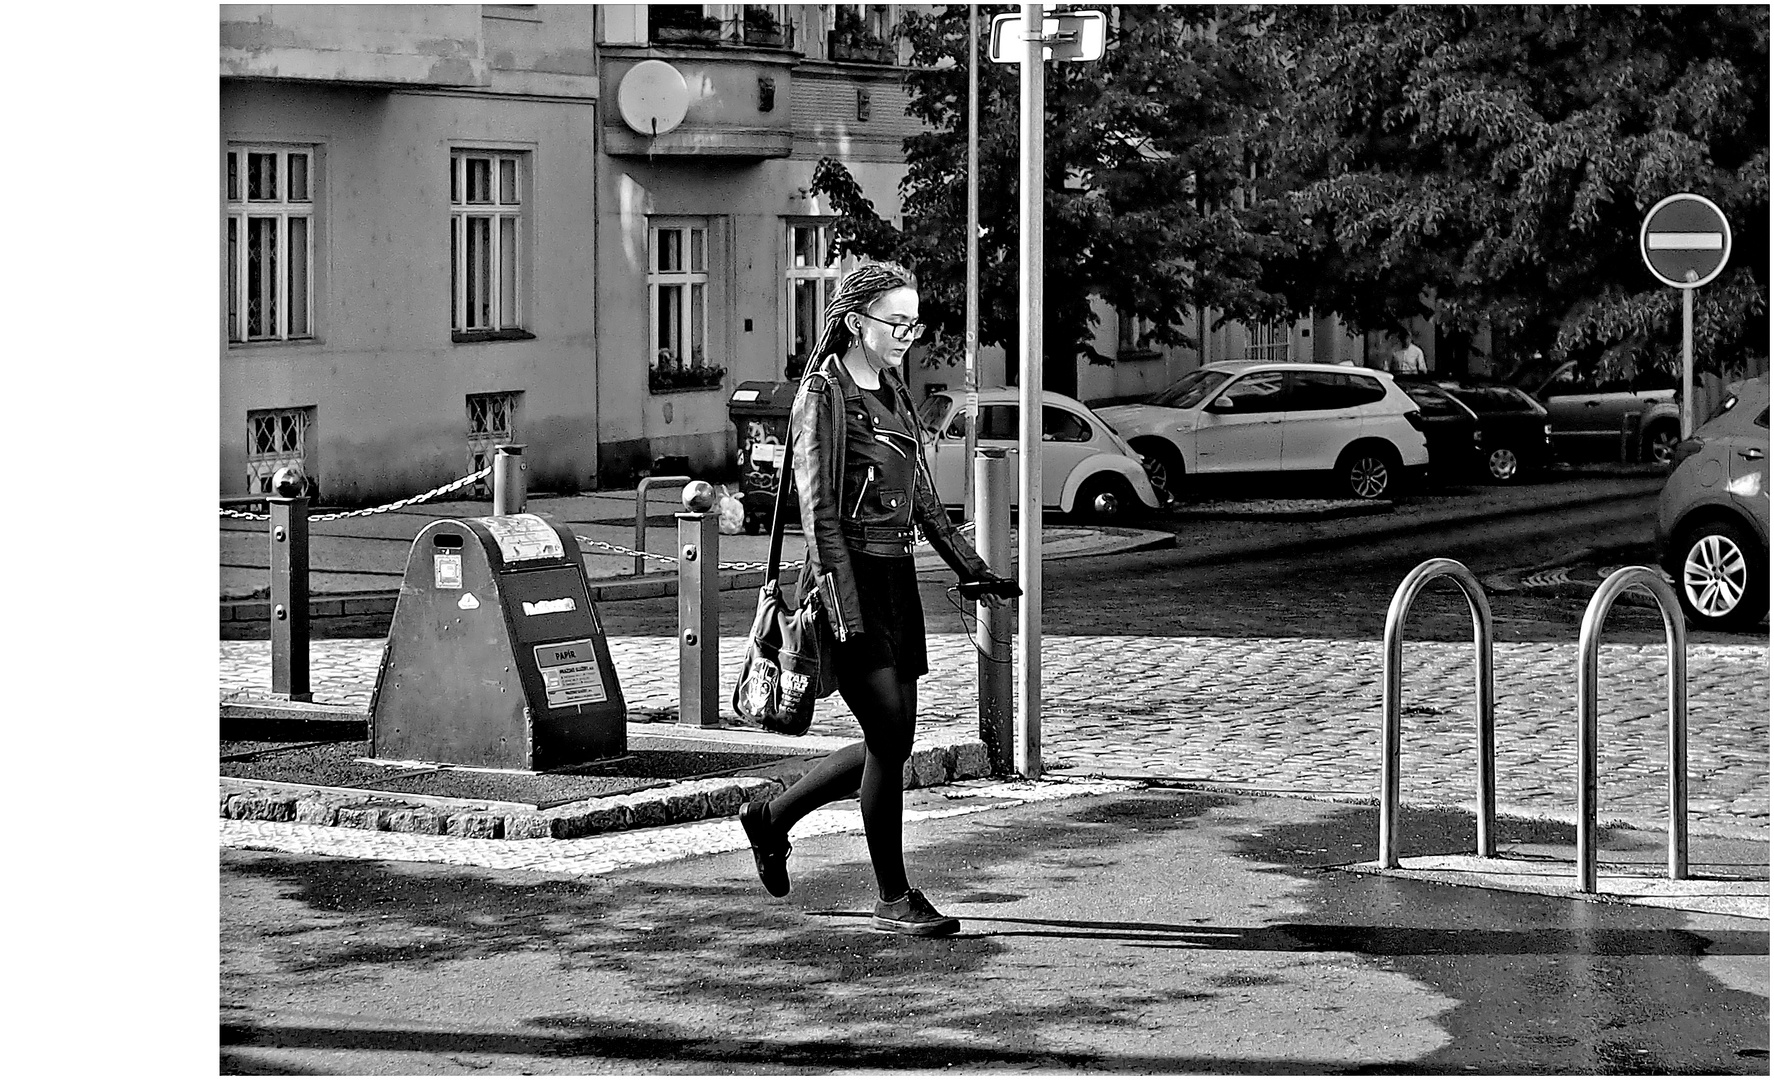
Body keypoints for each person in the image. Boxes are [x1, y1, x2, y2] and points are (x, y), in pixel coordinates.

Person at [735, 260, 1016, 937]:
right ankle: (892, 896)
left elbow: (922, 498)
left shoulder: (889, 385)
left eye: (913, 323)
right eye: (897, 323)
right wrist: (845, 610)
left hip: (894, 581)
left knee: (892, 739)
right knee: (889, 736)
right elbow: (818, 512)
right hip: (845, 578)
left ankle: (771, 818)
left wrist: (974, 569)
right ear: (857, 322)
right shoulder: (823, 394)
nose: (907, 336)